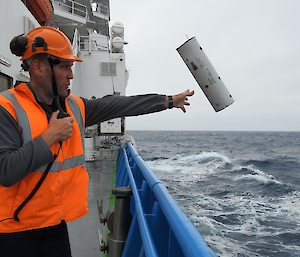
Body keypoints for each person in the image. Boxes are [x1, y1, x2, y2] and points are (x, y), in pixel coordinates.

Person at [0, 26, 194, 256]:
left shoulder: (74, 107)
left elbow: (121, 105)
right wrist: (50, 136)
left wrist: (168, 101)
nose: (71, 75)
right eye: (64, 67)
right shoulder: (7, 107)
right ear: (39, 67)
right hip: (14, 234)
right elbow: (6, 171)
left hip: (56, 228)